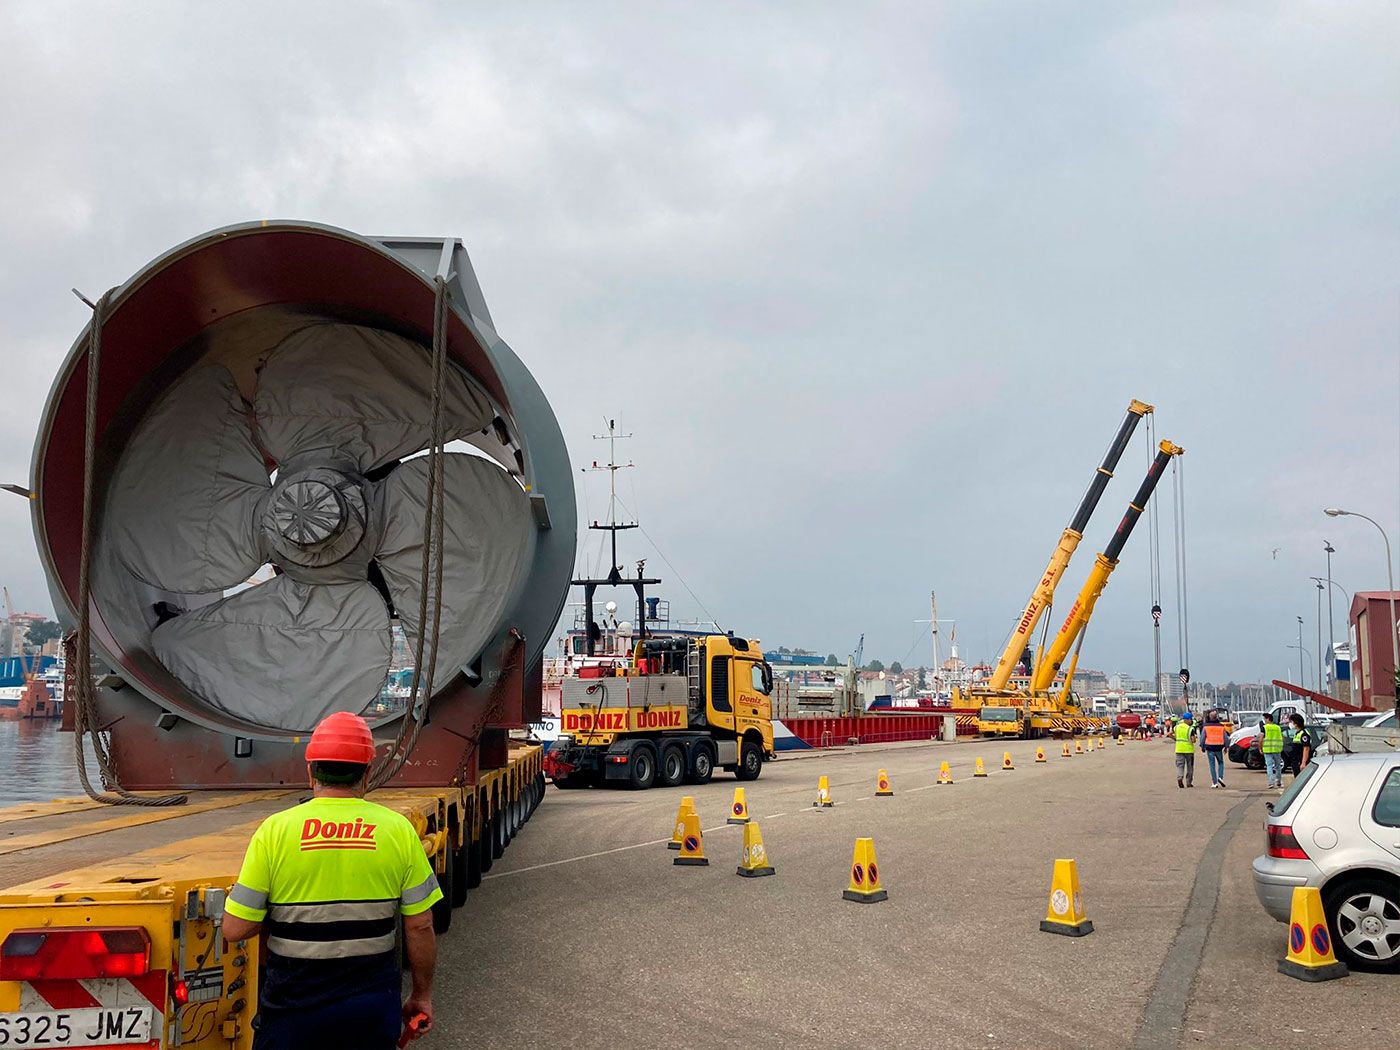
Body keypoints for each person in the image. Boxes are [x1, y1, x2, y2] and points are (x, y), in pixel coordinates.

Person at [221, 712, 441, 1049]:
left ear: (310, 772)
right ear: (367, 774)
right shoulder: (398, 830)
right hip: (369, 1010)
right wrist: (421, 995)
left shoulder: (275, 831)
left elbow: (235, 928)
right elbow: (420, 925)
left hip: (292, 1011)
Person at [1201, 710, 1228, 788]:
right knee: (1221, 763)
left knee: (1212, 765)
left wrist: (1202, 746)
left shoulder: (1206, 726)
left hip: (1210, 747)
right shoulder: (1221, 726)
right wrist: (1226, 747)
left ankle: (1214, 782)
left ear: (1209, 717)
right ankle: (1220, 777)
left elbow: (1203, 737)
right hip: (1219, 747)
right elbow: (1225, 738)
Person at [1260, 711, 1285, 789]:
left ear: (1268, 719)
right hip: (1277, 749)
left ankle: (1271, 783)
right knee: (1278, 766)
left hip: (1267, 749)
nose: (1264, 720)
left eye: (1265, 718)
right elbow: (1282, 737)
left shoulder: (1264, 728)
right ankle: (1279, 782)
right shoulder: (1278, 727)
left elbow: (1261, 739)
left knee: (1269, 766)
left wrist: (1260, 748)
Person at [1173, 709, 1197, 787]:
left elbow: (1169, 734)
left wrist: (1175, 739)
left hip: (1179, 749)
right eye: (1191, 719)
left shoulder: (1177, 727)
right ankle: (1188, 782)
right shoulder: (1190, 729)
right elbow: (1193, 740)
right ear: (1188, 720)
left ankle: (1180, 778)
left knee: (1180, 765)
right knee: (1190, 766)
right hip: (1189, 750)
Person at [1288, 712, 1314, 778]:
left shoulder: (1304, 734)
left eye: (1291, 722)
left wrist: (1303, 763)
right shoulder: (1297, 733)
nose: (1290, 724)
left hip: (1300, 762)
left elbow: (1306, 748)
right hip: (1296, 762)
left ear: (1296, 723)